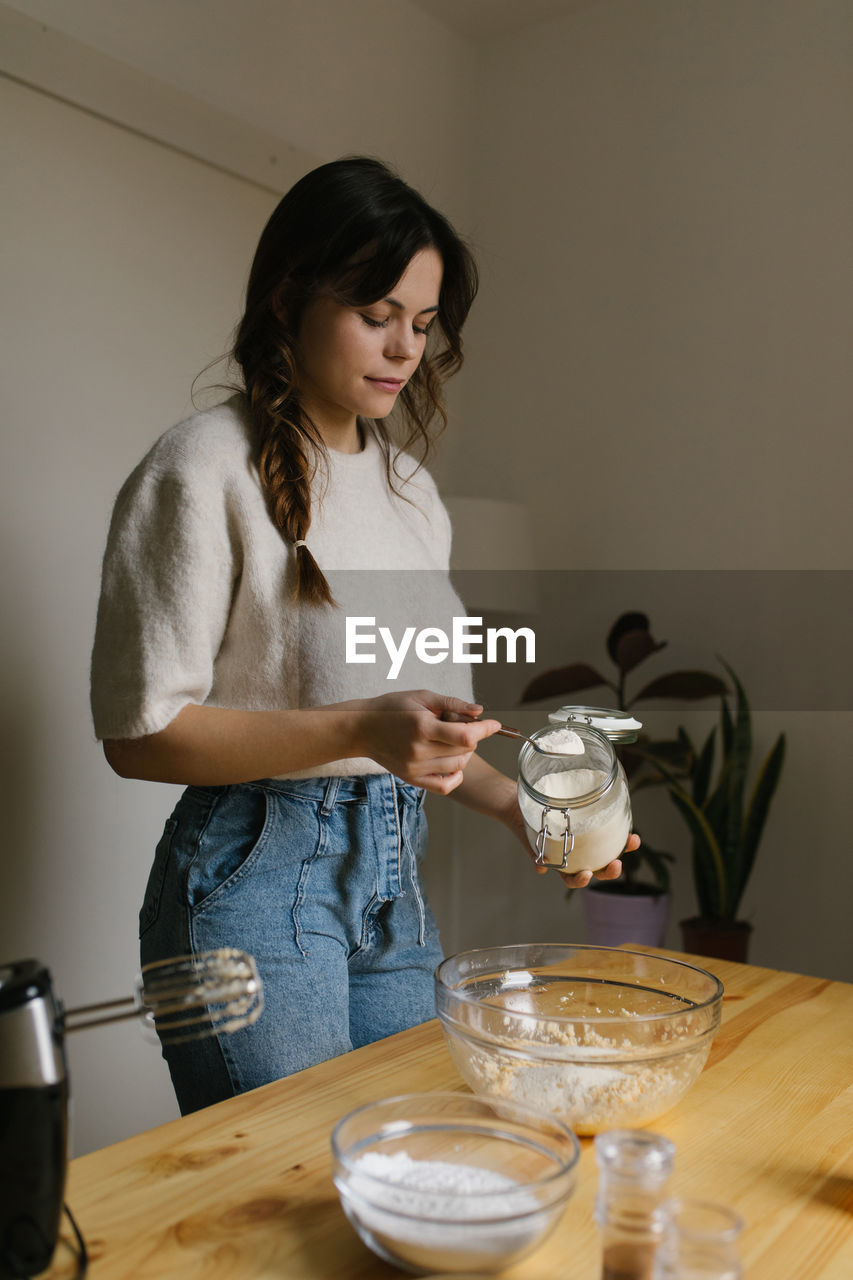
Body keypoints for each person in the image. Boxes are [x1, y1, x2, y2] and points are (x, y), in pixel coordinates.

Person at [91, 156, 634, 1114]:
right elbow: (140, 735)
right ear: (289, 301)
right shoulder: (199, 468)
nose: (403, 349)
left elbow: (412, 731)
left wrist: (520, 811)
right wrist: (357, 730)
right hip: (249, 880)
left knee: (405, 1167)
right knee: (290, 1195)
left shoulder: (412, 495)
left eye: (421, 324)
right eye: (376, 314)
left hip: (392, 882)